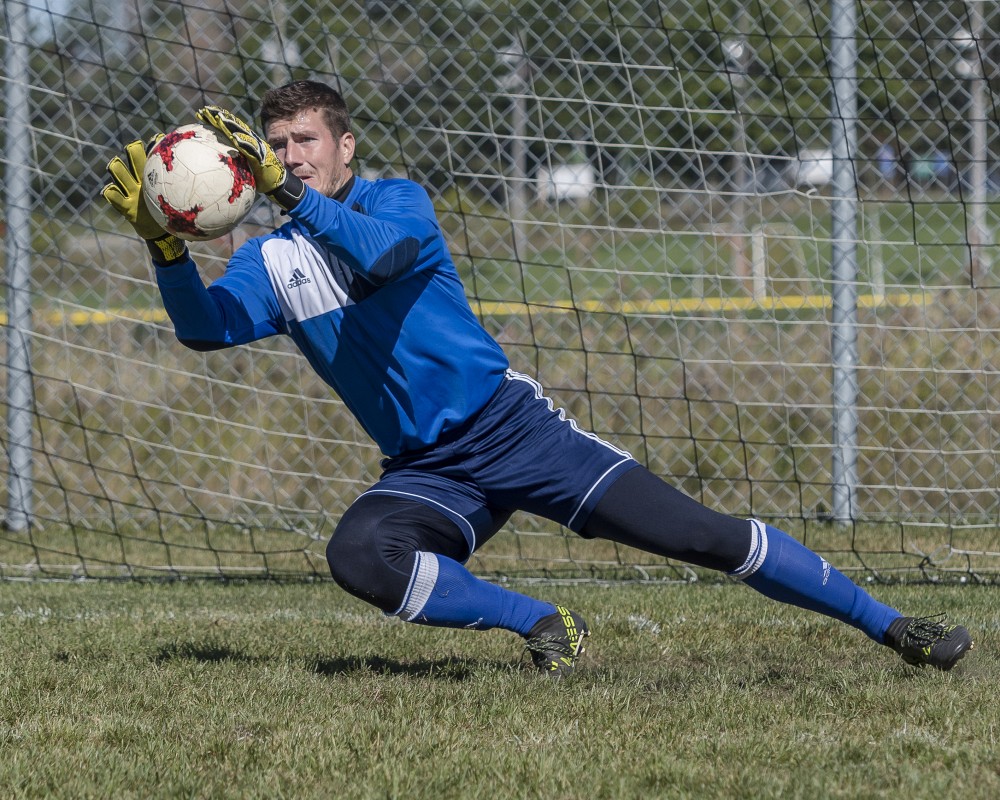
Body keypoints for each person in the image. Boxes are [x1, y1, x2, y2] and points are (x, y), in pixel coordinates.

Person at [103, 80, 973, 677]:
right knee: (360, 556)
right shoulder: (268, 258)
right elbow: (204, 331)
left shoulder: (391, 201)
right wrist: (164, 244)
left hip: (514, 429)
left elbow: (385, 256)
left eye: (304, 143)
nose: (289, 158)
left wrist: (293, 199)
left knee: (703, 538)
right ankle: (539, 621)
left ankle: (893, 626)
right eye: (278, 146)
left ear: (344, 147)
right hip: (425, 468)